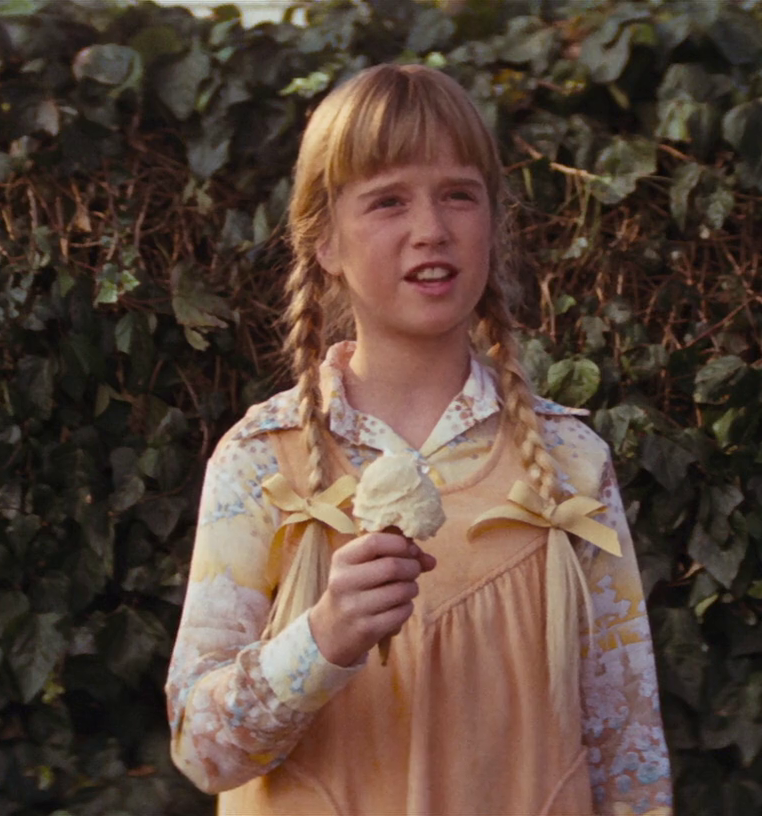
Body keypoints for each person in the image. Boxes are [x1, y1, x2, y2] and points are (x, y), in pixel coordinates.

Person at [165, 63, 673, 816]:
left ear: (492, 224)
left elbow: (628, 754)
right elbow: (203, 751)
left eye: (458, 195)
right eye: (388, 201)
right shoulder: (261, 460)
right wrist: (326, 637)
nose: (430, 229)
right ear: (326, 242)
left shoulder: (570, 461)